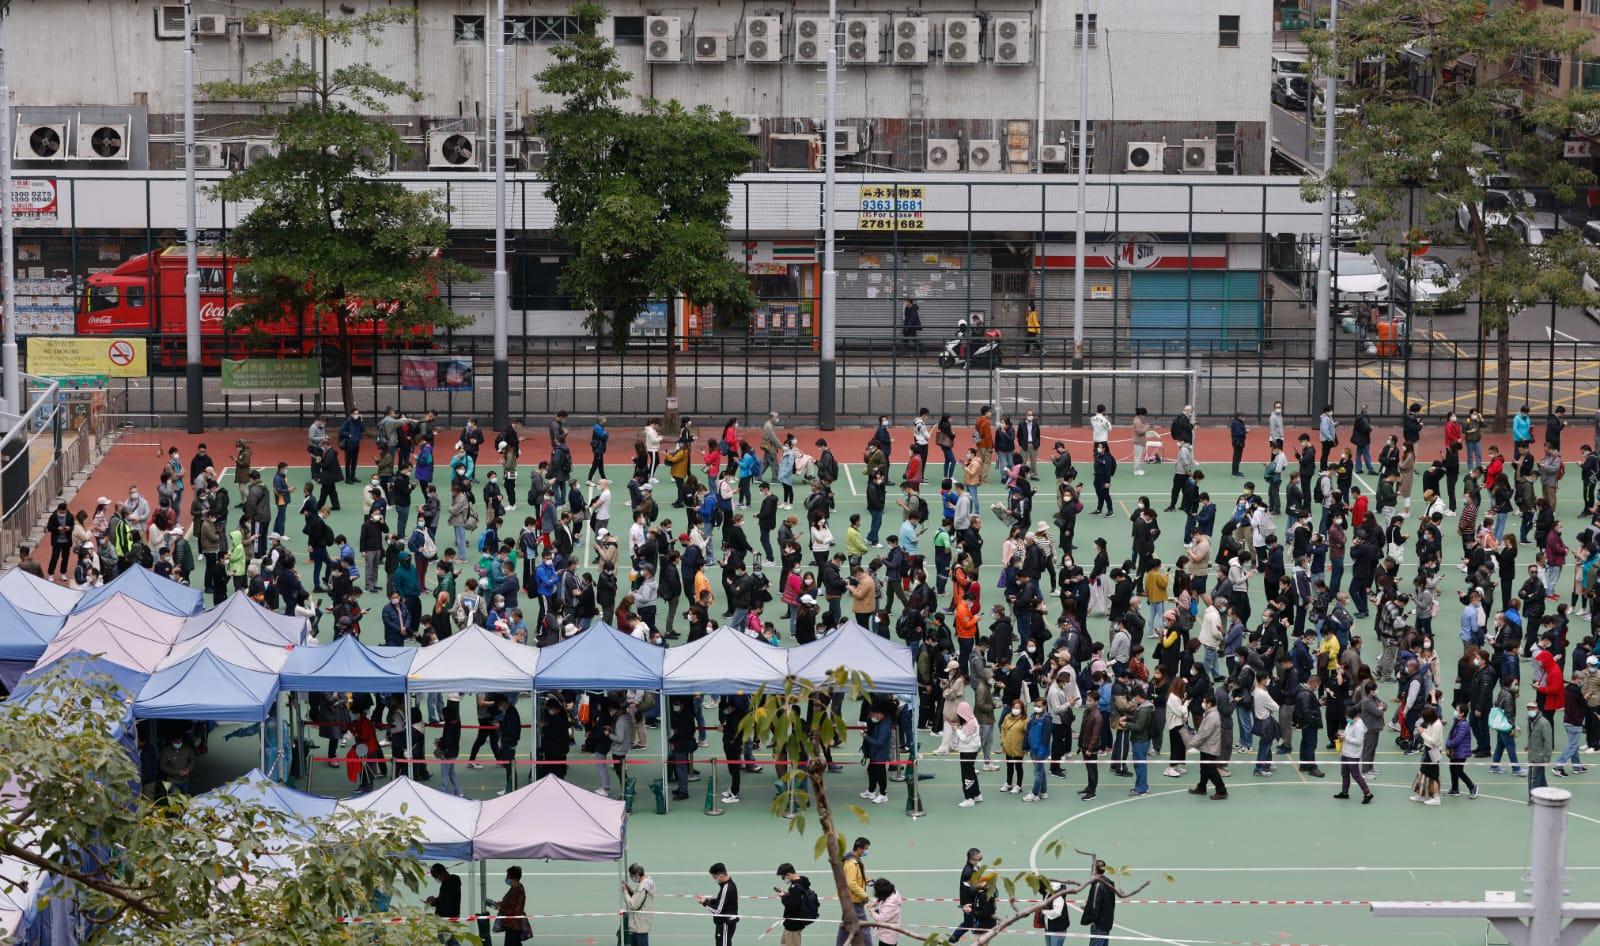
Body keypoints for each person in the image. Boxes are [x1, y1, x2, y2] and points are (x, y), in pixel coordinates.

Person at [1332, 704, 1374, 803]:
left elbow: (1359, 741)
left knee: (1356, 775)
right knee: (1344, 773)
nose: (1346, 718)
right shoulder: (1351, 722)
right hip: (1346, 752)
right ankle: (1344, 792)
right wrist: (1342, 735)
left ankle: (1367, 793)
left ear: (1353, 715)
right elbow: (1348, 733)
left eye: (1347, 716)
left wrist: (1345, 738)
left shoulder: (1359, 726)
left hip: (1353, 754)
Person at [836, 838, 871, 946]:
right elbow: (851, 883)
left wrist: (868, 880)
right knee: (864, 927)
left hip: (851, 900)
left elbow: (857, 877)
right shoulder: (852, 863)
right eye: (866, 849)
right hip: (854, 901)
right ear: (859, 848)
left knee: (845, 927)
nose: (867, 851)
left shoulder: (855, 861)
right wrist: (864, 895)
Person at [696, 863, 739, 946]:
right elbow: (723, 902)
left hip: (725, 924)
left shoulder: (726, 888)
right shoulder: (728, 885)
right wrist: (708, 900)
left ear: (721, 875)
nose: (715, 880)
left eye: (715, 877)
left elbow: (718, 911)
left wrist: (704, 903)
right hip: (725, 923)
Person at [776, 863, 819, 946]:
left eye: (783, 876)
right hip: (791, 924)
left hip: (793, 925)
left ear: (788, 874)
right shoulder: (801, 882)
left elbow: (793, 906)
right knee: (784, 943)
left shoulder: (795, 887)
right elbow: (798, 899)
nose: (783, 879)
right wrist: (788, 894)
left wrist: (783, 897)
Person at [1079, 860, 1118, 946]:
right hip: (1106, 923)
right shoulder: (1108, 883)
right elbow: (1105, 903)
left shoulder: (1098, 885)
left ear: (1095, 870)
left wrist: (1090, 918)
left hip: (1098, 925)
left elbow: (1094, 907)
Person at [491, 865, 532, 946]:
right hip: (510, 924)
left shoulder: (519, 891)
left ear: (513, 878)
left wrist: (500, 908)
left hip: (514, 925)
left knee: (513, 943)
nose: (506, 878)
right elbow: (508, 903)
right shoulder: (513, 888)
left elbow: (515, 910)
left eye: (507, 876)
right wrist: (499, 903)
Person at [425, 863, 464, 941]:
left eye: (437, 877)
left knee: (445, 941)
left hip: (445, 919)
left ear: (442, 873)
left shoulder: (447, 884)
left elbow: (446, 904)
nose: (438, 879)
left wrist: (433, 902)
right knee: (452, 940)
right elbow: (446, 899)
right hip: (453, 916)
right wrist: (435, 899)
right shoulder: (454, 879)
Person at [623, 863, 657, 946]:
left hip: (640, 924)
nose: (632, 878)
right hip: (640, 923)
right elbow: (638, 897)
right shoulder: (648, 882)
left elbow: (633, 905)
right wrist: (629, 889)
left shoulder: (643, 886)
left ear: (637, 874)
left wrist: (625, 892)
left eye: (632, 875)